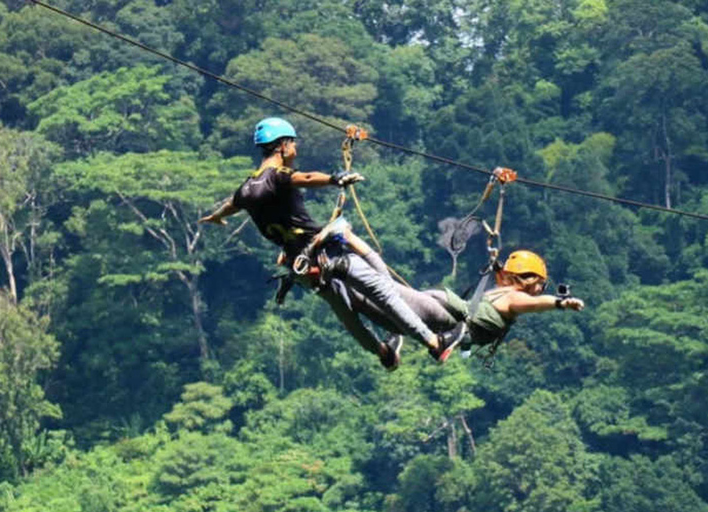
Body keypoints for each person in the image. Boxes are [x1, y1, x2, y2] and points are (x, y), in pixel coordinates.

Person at [199, 117, 457, 370]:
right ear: (282, 146)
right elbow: (307, 178)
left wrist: (216, 217)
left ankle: (384, 354)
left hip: (305, 270)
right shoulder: (277, 176)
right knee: (383, 292)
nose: (296, 150)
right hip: (328, 255)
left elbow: (231, 205)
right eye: (293, 144)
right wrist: (335, 178)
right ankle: (434, 342)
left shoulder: (246, 188)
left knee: (349, 318)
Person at [349, 250, 585, 359]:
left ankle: (345, 261)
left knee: (376, 295)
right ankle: (345, 259)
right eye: (541, 285)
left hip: (442, 309)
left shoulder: (500, 292)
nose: (541, 290)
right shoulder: (515, 297)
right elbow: (537, 304)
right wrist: (561, 303)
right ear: (530, 280)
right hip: (442, 313)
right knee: (379, 288)